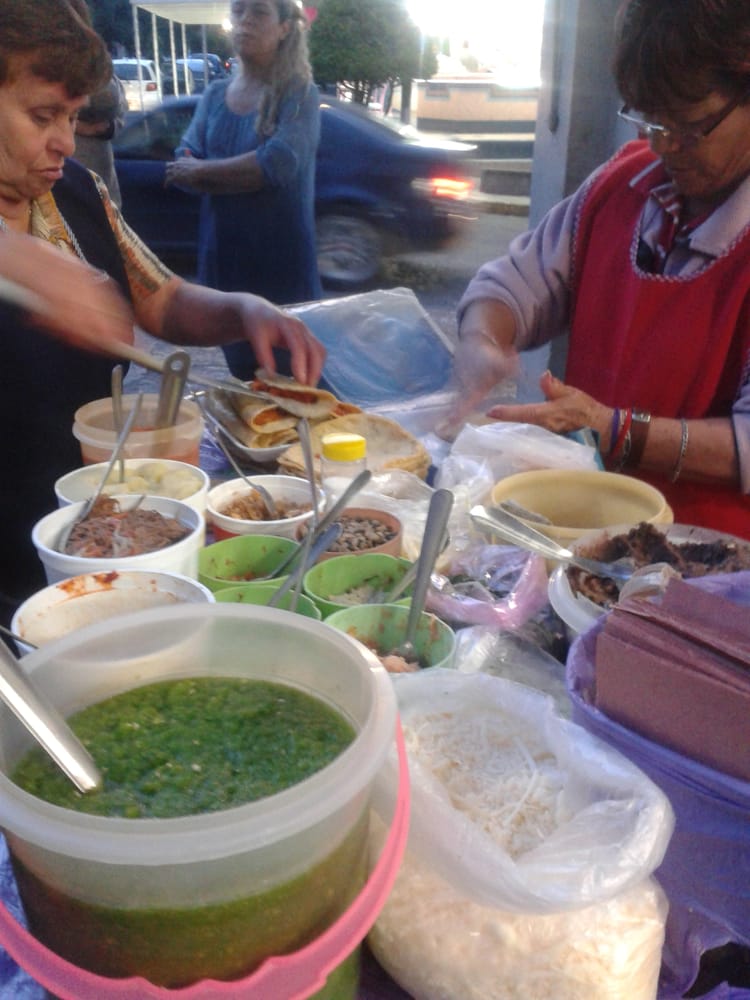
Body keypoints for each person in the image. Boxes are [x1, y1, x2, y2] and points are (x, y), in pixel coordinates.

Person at [0, 0, 326, 622]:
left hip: (98, 530)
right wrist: (21, 260)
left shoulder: (75, 190)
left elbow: (165, 298)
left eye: (72, 116)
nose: (66, 141)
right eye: (43, 115)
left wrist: (242, 309)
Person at [450, 0, 750, 540]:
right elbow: (512, 284)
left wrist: (610, 429)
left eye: (687, 126)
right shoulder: (623, 186)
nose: (662, 146)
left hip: (709, 572)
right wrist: (483, 341)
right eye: (650, 120)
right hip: (580, 535)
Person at [165, 0, 322, 380]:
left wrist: (201, 172)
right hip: (224, 267)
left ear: (285, 27)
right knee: (247, 382)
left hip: (282, 272)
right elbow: (180, 160)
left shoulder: (299, 92)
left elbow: (277, 164)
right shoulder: (214, 95)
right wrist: (217, 172)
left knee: (291, 384)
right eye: (238, 11)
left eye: (260, 12)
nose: (245, 21)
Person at [73, 72, 128, 208]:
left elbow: (116, 105)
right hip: (69, 180)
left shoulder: (100, 69)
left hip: (101, 178)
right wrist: (76, 125)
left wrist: (105, 128)